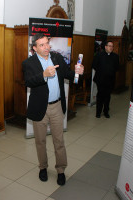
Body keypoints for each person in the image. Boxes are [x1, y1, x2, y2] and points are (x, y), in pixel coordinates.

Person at [22, 33, 84, 186]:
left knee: (59, 141)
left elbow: (69, 75)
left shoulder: (56, 58)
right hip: (40, 108)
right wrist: (43, 74)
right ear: (35, 48)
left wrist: (78, 72)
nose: (46, 47)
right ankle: (43, 167)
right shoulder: (28, 63)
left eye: (47, 43)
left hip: (56, 106)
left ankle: (61, 170)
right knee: (40, 141)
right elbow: (28, 82)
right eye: (41, 45)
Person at [92, 41, 119, 118]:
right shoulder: (99, 55)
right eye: (109, 46)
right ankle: (98, 112)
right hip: (100, 79)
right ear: (105, 47)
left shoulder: (115, 56)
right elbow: (94, 65)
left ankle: (106, 111)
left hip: (110, 80)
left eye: (112, 46)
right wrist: (102, 71)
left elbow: (117, 67)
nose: (111, 47)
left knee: (108, 96)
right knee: (100, 95)